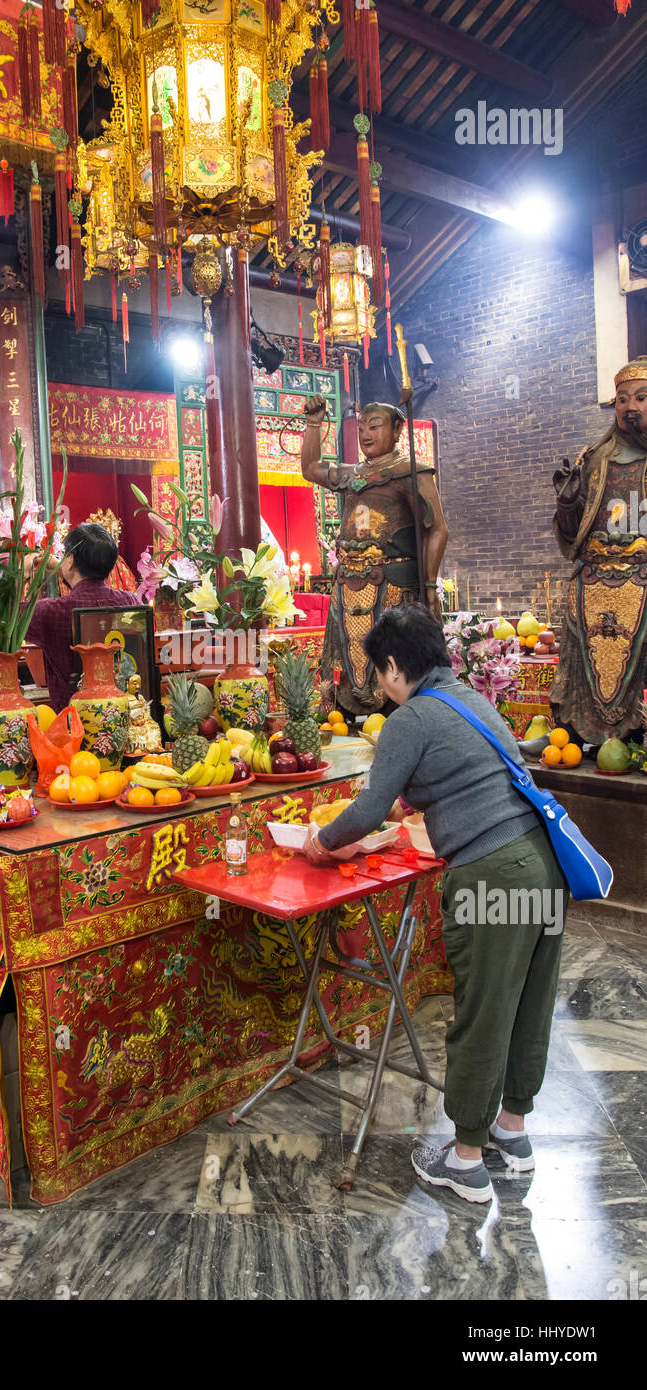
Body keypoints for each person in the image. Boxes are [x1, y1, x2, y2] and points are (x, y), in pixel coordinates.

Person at [304, 604, 568, 1204]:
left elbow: (370, 809)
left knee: (482, 1011)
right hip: (542, 865)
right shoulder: (475, 702)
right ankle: (513, 1130)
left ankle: (467, 1159)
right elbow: (467, 776)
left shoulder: (410, 717)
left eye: (377, 671)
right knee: (528, 1001)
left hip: (493, 877)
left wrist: (322, 842)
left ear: (395, 666)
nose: (377, 685)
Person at [301, 394, 449, 717]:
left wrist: (430, 584)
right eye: (362, 427)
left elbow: (437, 529)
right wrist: (314, 423)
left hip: (393, 586)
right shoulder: (353, 474)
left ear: (397, 430)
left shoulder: (410, 473)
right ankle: (344, 718)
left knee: (395, 660)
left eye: (375, 426)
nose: (366, 434)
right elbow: (310, 469)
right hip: (348, 586)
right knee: (347, 664)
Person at [550, 357, 647, 746]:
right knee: (579, 658)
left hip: (641, 579)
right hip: (593, 578)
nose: (630, 407)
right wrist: (568, 503)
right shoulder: (595, 460)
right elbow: (572, 535)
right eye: (622, 399)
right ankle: (570, 733)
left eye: (641, 398)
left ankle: (635, 734)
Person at [24, 521, 139, 712]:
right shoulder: (131, 602)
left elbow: (7, 617)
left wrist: (22, 573)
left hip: (73, 724)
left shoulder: (50, 612)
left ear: (69, 561)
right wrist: (67, 568)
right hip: (122, 715)